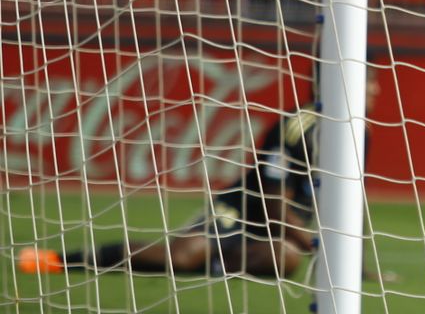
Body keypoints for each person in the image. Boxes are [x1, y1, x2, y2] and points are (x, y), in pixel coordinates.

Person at [17, 103, 324, 280]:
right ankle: (61, 260)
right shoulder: (297, 127)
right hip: (242, 211)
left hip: (278, 239)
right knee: (181, 255)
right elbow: (272, 205)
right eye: (368, 83)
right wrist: (319, 245)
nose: (374, 90)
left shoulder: (358, 131)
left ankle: (214, 266)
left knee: (286, 257)